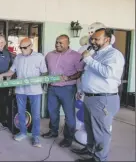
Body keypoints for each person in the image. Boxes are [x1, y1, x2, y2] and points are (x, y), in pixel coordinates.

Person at [73, 28, 125, 162]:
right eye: (93, 39)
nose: (93, 41)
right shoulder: (95, 54)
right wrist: (82, 90)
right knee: (90, 128)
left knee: (101, 132)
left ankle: (99, 158)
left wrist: (88, 59)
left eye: (97, 39)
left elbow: (108, 72)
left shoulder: (114, 55)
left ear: (107, 39)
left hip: (103, 99)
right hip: (90, 97)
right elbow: (90, 75)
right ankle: (90, 150)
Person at [0, 38, 47, 147]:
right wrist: (2, 75)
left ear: (30, 46)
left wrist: (38, 80)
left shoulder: (39, 57)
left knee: (36, 115)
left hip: (35, 90)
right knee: (20, 112)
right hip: (20, 90)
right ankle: (23, 132)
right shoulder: (18, 57)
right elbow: (11, 71)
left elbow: (44, 73)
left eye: (24, 47)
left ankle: (35, 136)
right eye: (21, 47)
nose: (22, 50)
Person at [42, 34, 84, 148]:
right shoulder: (49, 55)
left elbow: (80, 72)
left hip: (68, 89)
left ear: (67, 43)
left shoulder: (76, 56)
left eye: (61, 43)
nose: (58, 44)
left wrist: (68, 78)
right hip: (52, 88)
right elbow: (46, 71)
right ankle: (53, 131)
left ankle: (68, 138)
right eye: (57, 42)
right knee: (52, 112)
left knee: (69, 116)